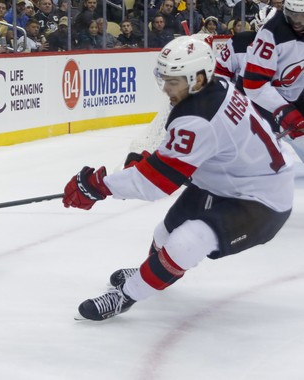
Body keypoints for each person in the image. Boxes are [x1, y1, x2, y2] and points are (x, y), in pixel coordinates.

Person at [64, 36, 294, 321]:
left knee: (187, 241)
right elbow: (182, 147)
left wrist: (99, 187)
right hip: (226, 181)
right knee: (164, 233)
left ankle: (125, 296)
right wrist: (149, 158)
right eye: (164, 79)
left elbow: (156, 183)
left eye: (173, 81)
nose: (166, 88)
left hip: (263, 200)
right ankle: (151, 273)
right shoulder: (215, 87)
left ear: (198, 78)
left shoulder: (199, 115)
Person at [242, 0, 304, 153]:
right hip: (269, 98)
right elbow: (253, 85)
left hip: (297, 90)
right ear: (284, 10)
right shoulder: (271, 32)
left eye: (302, 16)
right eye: (292, 15)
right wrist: (284, 110)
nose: (297, 22)